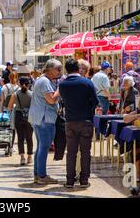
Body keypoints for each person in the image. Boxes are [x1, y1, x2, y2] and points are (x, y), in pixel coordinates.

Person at [58, 59, 99, 188]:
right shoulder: (87, 83)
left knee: (71, 152)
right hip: (86, 120)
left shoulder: (62, 85)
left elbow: (63, 101)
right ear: (77, 68)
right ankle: (84, 180)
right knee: (85, 152)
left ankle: (70, 180)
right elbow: (95, 101)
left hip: (70, 121)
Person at [28, 59, 62, 185]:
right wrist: (59, 89)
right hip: (44, 118)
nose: (60, 72)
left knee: (41, 147)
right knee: (44, 147)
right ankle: (42, 176)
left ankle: (38, 174)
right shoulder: (45, 81)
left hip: (39, 118)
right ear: (50, 69)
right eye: (58, 69)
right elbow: (51, 100)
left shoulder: (42, 80)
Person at [7, 76, 33, 166]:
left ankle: (22, 157)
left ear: (19, 84)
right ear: (28, 84)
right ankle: (30, 156)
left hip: (19, 116)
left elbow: (9, 107)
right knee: (29, 138)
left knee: (20, 138)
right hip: (29, 117)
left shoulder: (15, 94)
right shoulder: (32, 94)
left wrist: (15, 106)